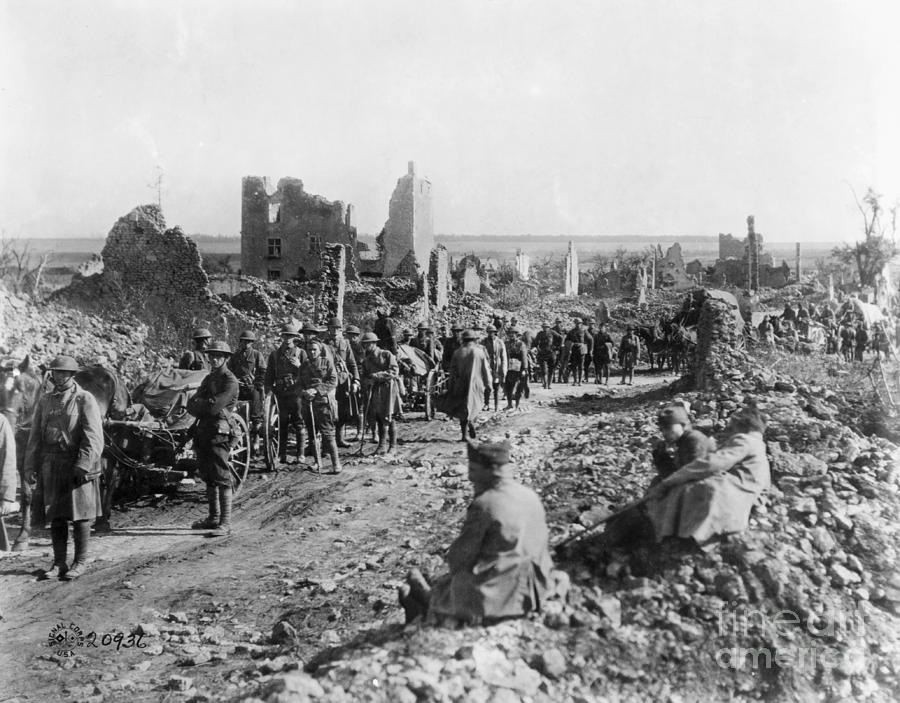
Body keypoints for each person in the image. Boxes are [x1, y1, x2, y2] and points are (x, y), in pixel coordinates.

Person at [398, 441, 561, 625]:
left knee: (457, 581)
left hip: (503, 599)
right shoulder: (528, 495)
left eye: (473, 470)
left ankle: (429, 602)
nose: (470, 477)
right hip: (538, 587)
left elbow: (459, 559)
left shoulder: (485, 504)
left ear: (488, 471)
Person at [644, 405, 770, 550]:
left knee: (690, 489)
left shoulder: (743, 440)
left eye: (732, 427)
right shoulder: (758, 444)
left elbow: (712, 464)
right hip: (747, 491)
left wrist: (669, 482)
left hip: (739, 490)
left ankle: (674, 534)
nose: (729, 432)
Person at [27, 355, 104, 580]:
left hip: (76, 464)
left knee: (80, 515)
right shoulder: (45, 400)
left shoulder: (84, 399)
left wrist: (83, 464)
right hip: (51, 464)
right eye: (56, 373)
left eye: (64, 373)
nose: (59, 377)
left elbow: (94, 437)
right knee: (57, 515)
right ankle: (59, 563)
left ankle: (80, 562)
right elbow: (34, 437)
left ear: (72, 375)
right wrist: (31, 465)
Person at [187, 341, 240, 536]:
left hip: (220, 432)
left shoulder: (230, 381)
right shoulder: (209, 378)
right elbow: (191, 406)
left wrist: (202, 403)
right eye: (212, 355)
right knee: (207, 475)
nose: (214, 359)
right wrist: (202, 403)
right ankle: (212, 517)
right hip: (204, 430)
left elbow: (213, 407)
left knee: (221, 475)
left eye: (219, 356)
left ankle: (225, 523)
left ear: (226, 358)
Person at [264, 323, 308, 465]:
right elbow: (269, 376)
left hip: (295, 392)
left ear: (294, 338)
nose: (287, 339)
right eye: (285, 336)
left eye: (290, 336)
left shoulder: (301, 353)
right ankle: (281, 455)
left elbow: (308, 373)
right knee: (282, 423)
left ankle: (300, 454)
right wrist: (268, 391)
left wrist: (299, 366)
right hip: (280, 393)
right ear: (281, 337)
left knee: (299, 422)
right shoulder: (275, 355)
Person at [298, 338, 341, 473]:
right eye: (309, 349)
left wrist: (316, 390)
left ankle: (336, 464)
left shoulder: (327, 362)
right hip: (307, 403)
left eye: (314, 349)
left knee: (328, 433)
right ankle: (318, 462)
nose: (311, 352)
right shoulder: (303, 366)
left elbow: (333, 380)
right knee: (312, 434)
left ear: (320, 350)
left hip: (323, 403)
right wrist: (304, 392)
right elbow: (298, 384)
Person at [446, 330, 493, 441]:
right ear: (474, 340)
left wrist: (451, 387)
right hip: (476, 384)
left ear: (463, 340)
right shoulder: (479, 352)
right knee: (475, 405)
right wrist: (488, 384)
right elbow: (485, 370)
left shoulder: (457, 353)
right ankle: (471, 421)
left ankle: (464, 435)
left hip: (460, 384)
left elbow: (452, 372)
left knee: (463, 408)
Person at [359, 332, 401, 454]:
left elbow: (394, 371)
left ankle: (393, 446)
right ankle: (382, 445)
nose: (367, 347)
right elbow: (364, 376)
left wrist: (376, 376)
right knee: (378, 417)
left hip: (388, 389)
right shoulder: (366, 361)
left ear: (375, 343)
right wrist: (367, 381)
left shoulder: (386, 355)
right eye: (365, 345)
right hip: (375, 392)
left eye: (369, 344)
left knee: (390, 416)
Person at [650, 405, 713, 487]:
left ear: (683, 425)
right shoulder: (682, 442)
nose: (664, 433)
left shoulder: (695, 440)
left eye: (668, 428)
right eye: (662, 429)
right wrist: (662, 459)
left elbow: (692, 475)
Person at [228, 330, 266, 453]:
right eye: (244, 341)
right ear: (240, 342)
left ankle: (255, 434)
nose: (246, 344)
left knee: (256, 399)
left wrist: (257, 382)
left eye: (249, 342)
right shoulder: (234, 356)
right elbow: (229, 371)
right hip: (238, 387)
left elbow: (263, 371)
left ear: (252, 343)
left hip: (252, 387)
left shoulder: (256, 355)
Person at [326, 317, 360, 449]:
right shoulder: (324, 343)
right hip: (328, 380)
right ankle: (327, 442)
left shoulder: (345, 343)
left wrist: (356, 381)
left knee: (343, 411)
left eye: (337, 329)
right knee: (328, 410)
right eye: (332, 328)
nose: (334, 331)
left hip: (343, 381)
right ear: (328, 329)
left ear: (340, 330)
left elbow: (352, 364)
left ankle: (339, 439)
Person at [482, 325, 507, 412]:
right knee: (487, 385)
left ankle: (497, 405)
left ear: (495, 332)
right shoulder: (484, 342)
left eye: (492, 332)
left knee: (496, 386)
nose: (490, 334)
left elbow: (503, 356)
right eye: (489, 332)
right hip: (487, 366)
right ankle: (486, 404)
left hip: (497, 366)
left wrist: (504, 368)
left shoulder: (500, 342)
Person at [503, 328, 530, 409]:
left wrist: (524, 369)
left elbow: (524, 357)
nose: (511, 335)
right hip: (509, 368)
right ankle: (509, 404)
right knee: (508, 387)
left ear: (516, 335)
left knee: (518, 387)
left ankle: (517, 405)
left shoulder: (521, 344)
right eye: (510, 333)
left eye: (513, 333)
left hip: (519, 368)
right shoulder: (506, 343)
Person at [565, 318, 592, 386]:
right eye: (576, 323)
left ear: (581, 323)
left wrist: (590, 349)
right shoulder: (571, 331)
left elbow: (591, 339)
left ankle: (580, 381)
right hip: (574, 349)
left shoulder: (584, 331)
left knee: (581, 366)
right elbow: (566, 340)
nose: (578, 325)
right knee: (573, 366)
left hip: (581, 349)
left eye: (579, 323)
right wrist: (569, 346)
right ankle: (575, 381)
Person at [533, 322, 560, 389]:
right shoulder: (540, 334)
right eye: (544, 327)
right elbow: (535, 342)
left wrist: (557, 347)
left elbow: (560, 338)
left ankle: (549, 384)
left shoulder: (552, 332)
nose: (545, 328)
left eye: (546, 327)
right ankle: (545, 384)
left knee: (551, 369)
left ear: (549, 327)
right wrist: (537, 348)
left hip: (551, 353)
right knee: (544, 370)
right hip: (542, 354)